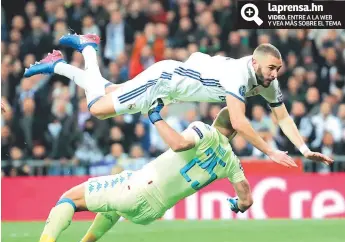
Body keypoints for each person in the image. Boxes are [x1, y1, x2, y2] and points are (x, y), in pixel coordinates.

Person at [23, 33, 333, 168]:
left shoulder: (266, 81)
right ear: (255, 63)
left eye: (278, 69)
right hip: (163, 81)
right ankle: (83, 51)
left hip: (170, 86)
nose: (276, 74)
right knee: (97, 109)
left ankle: (63, 61)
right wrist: (271, 151)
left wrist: (304, 149)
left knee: (104, 89)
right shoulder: (240, 74)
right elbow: (238, 121)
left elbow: (283, 117)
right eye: (271, 68)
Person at [4, 105, 253, 242]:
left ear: (217, 119)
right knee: (113, 206)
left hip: (141, 187)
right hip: (153, 212)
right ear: (234, 133)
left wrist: (156, 117)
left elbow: (179, 144)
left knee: (69, 197)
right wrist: (236, 205)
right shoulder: (231, 160)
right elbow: (246, 199)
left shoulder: (203, 130)